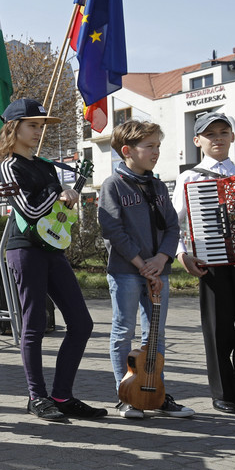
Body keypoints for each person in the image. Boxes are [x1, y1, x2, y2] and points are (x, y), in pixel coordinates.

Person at [0, 99, 105, 421]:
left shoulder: (46, 165)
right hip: (24, 248)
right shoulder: (8, 166)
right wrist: (56, 194)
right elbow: (27, 210)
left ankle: (62, 395)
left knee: (82, 323)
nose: (38, 131)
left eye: (41, 126)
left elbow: (57, 213)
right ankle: (37, 397)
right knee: (35, 324)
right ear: (13, 128)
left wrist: (69, 192)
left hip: (52, 248)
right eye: (33, 125)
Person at [171, 111, 235, 417]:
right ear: (197, 140)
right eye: (210, 134)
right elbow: (176, 224)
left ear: (233, 137)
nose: (218, 139)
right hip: (211, 262)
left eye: (224, 132)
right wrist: (181, 253)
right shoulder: (190, 177)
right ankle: (223, 394)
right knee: (218, 329)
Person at [98, 119, 194, 419]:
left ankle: (156, 393)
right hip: (127, 271)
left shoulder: (156, 185)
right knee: (123, 331)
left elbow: (171, 226)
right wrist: (142, 263)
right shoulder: (113, 185)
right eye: (149, 146)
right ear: (127, 150)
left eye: (158, 146)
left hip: (157, 270)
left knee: (156, 335)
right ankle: (127, 394)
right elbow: (112, 230)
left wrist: (162, 259)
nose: (156, 152)